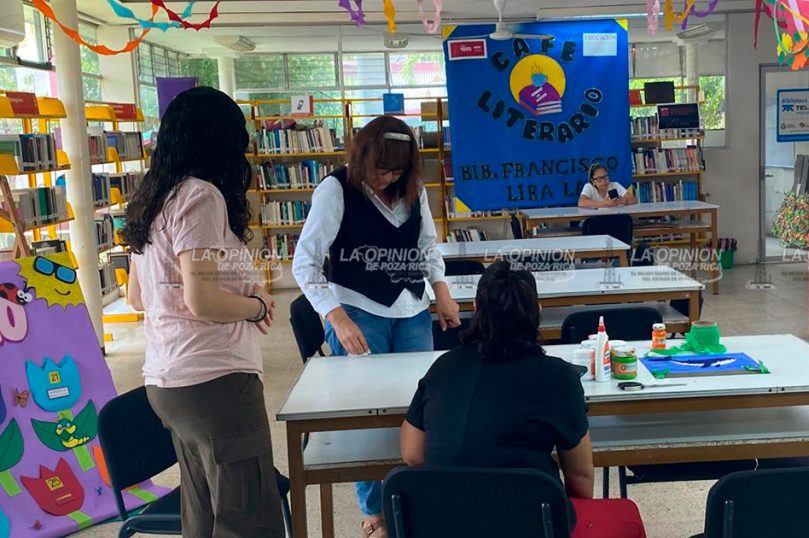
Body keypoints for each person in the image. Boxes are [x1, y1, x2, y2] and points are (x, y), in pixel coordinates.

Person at [123, 87, 283, 537]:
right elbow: (203, 301)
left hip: (168, 381)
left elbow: (139, 296)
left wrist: (245, 289)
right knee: (247, 517)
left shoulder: (153, 197)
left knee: (204, 515)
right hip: (215, 381)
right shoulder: (201, 196)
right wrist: (255, 306)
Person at [292, 115, 461, 537]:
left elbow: (427, 247)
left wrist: (441, 290)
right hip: (358, 310)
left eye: (398, 171)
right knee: (367, 415)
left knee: (418, 409)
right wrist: (335, 317)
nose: (389, 177)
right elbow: (305, 263)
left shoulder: (413, 188)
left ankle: (415, 497)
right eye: (383, 169)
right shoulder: (335, 190)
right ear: (364, 157)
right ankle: (375, 512)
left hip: (412, 309)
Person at [400, 261, 647, 537]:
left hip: (446, 524)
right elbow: (580, 475)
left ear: (476, 307)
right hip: (531, 524)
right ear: (537, 311)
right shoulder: (559, 377)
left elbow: (412, 453)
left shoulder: (443, 367)